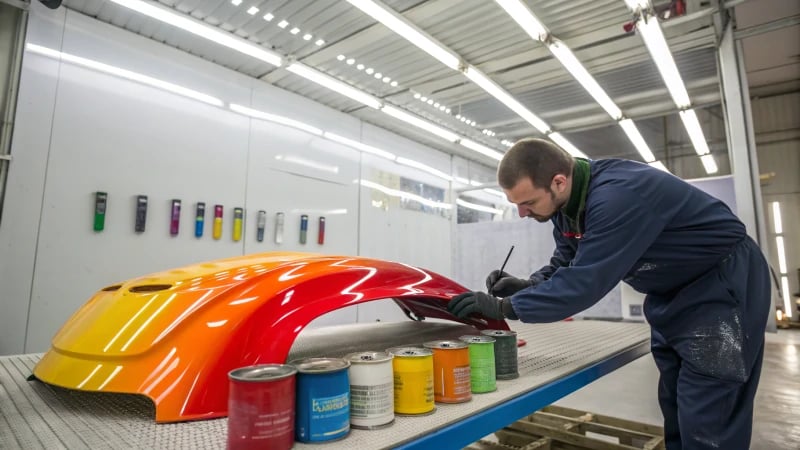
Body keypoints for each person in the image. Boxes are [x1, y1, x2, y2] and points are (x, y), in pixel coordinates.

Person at [448, 138, 771, 450]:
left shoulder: (618, 196)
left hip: (720, 285)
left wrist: (504, 307)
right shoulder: (567, 205)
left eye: (528, 202)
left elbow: (586, 283)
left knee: (710, 408)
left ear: (558, 182)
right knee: (677, 400)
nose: (522, 213)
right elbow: (569, 261)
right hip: (672, 291)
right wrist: (527, 285)